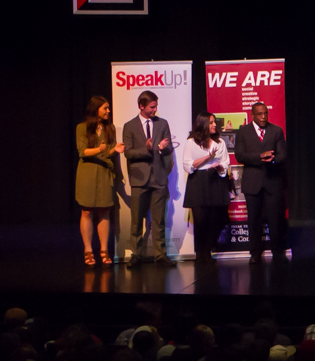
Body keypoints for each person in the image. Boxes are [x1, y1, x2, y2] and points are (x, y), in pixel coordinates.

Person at [122, 90, 176, 268]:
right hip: (139, 180)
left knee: (159, 220)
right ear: (141, 106)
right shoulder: (129, 126)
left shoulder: (163, 124)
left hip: (159, 178)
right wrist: (147, 149)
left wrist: (161, 148)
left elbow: (169, 149)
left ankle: (160, 255)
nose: (155, 110)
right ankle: (136, 255)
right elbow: (128, 152)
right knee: (137, 220)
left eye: (156, 106)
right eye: (152, 107)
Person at [235, 102, 289, 264]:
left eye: (265, 113)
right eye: (260, 114)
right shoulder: (243, 132)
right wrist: (260, 156)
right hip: (252, 183)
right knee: (254, 219)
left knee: (275, 218)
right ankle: (255, 253)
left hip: (272, 181)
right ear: (252, 114)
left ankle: (278, 252)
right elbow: (240, 155)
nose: (263, 117)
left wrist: (272, 160)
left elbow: (282, 154)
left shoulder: (276, 130)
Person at [76, 96, 125, 268]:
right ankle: (88, 250)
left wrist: (114, 150)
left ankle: (104, 250)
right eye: (105, 108)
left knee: (104, 210)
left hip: (104, 172)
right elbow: (82, 152)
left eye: (109, 108)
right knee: (87, 211)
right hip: (87, 174)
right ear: (96, 109)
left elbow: (107, 153)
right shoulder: (82, 128)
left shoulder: (109, 128)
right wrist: (100, 149)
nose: (108, 111)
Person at [182, 112, 230, 265]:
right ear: (202, 124)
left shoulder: (220, 142)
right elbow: (187, 165)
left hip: (215, 180)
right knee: (201, 219)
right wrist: (207, 158)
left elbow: (226, 162)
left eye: (214, 122)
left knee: (215, 219)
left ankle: (208, 251)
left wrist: (219, 167)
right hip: (198, 181)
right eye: (210, 123)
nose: (214, 125)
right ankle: (200, 253)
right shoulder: (191, 142)